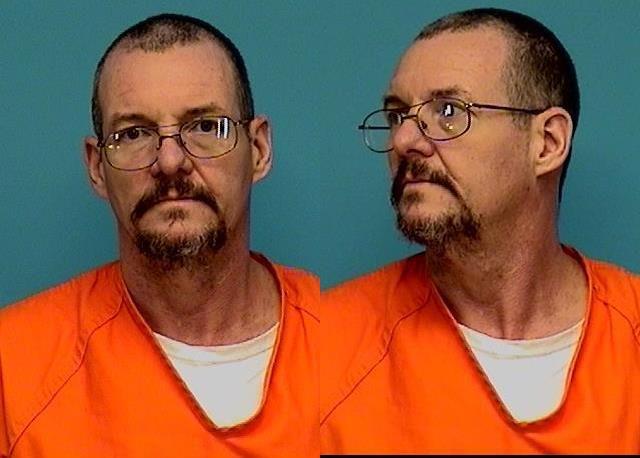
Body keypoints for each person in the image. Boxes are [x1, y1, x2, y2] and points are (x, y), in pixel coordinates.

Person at [321, 7, 640, 454]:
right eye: (397, 116)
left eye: (449, 112)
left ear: (547, 143)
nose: (404, 141)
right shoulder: (323, 350)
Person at [0, 13, 318, 457]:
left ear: (259, 149)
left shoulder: (346, 338)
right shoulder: (13, 368)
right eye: (133, 133)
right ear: (97, 168)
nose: (170, 162)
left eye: (206, 126)